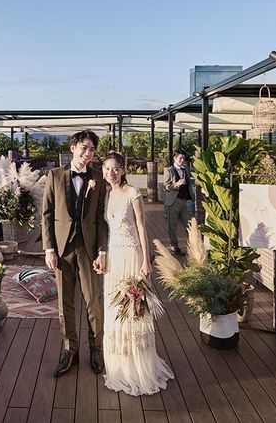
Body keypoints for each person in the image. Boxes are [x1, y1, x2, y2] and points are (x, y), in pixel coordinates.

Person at [100, 151, 173, 396]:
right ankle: (119, 366)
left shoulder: (133, 193)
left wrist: (145, 261)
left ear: (123, 170)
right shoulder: (107, 194)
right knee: (114, 310)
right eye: (107, 168)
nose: (111, 173)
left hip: (131, 256)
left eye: (115, 168)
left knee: (134, 310)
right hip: (113, 259)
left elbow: (142, 227)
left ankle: (137, 368)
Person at [42, 130, 108, 378]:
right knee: (65, 302)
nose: (88, 153)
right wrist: (49, 248)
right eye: (84, 147)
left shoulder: (98, 178)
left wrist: (102, 250)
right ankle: (70, 351)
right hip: (62, 249)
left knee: (93, 301)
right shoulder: (55, 175)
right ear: (72, 148)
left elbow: (101, 217)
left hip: (88, 248)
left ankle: (96, 349)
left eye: (92, 149)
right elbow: (47, 214)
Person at [163, 149, 195, 255]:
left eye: (183, 158)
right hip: (173, 202)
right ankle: (174, 247)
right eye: (180, 158)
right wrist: (177, 184)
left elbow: (189, 183)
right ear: (175, 158)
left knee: (189, 225)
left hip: (184, 202)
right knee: (172, 226)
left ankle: (193, 247)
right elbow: (166, 186)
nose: (182, 160)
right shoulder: (169, 170)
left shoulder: (186, 169)